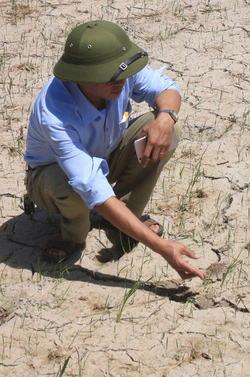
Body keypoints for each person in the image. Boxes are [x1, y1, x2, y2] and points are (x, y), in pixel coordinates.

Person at [24, 20, 205, 280]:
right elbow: (90, 185)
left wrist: (166, 117)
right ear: (80, 76)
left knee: (167, 130)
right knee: (71, 186)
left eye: (122, 71)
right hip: (51, 179)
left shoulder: (122, 74)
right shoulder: (55, 113)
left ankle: (125, 217)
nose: (121, 80)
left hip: (106, 154)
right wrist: (164, 249)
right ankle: (72, 235)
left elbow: (166, 89)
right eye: (108, 74)